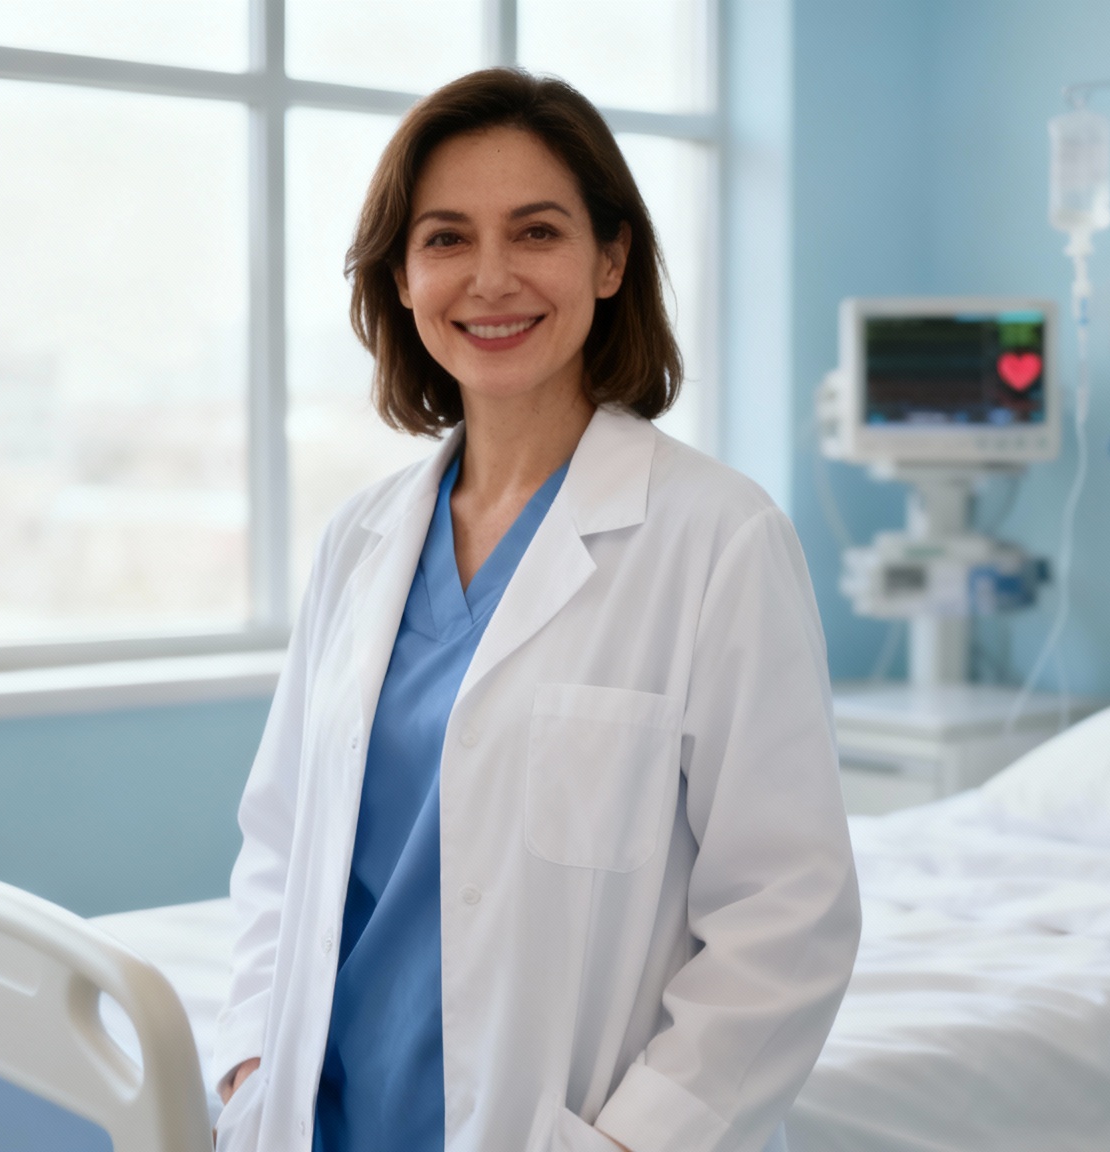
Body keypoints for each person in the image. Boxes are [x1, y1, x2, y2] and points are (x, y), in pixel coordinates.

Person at [209, 68, 859, 1152]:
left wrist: (630, 1140)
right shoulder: (360, 541)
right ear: (403, 278)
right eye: (447, 238)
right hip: (324, 1118)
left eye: (537, 232)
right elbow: (280, 842)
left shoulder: (715, 538)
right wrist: (246, 1060)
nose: (491, 279)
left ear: (610, 260)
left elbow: (786, 913)